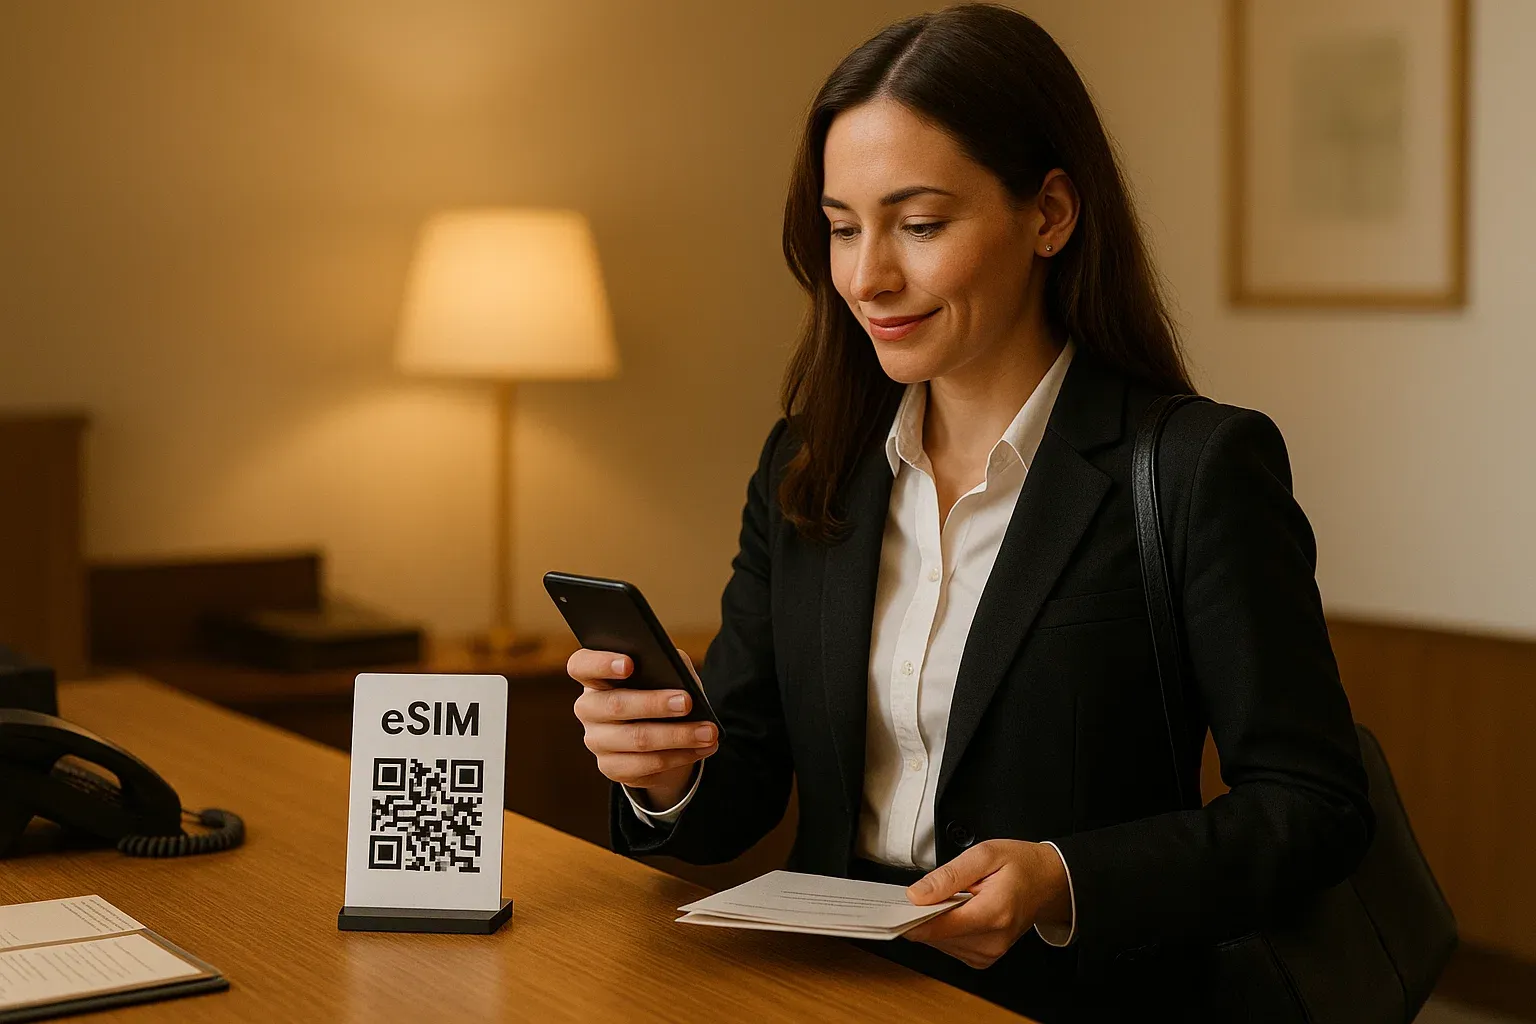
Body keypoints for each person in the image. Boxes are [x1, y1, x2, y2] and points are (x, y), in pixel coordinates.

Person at [565, 4, 1372, 1020]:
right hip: (829, 993)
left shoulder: (1197, 466)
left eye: (920, 224)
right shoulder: (809, 467)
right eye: (844, 227)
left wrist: (1062, 878)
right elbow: (744, 783)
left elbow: (1315, 809)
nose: (868, 277)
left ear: (1050, 215)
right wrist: (666, 771)